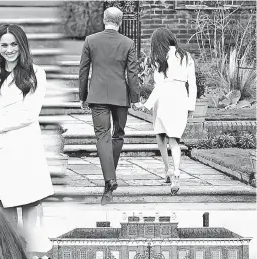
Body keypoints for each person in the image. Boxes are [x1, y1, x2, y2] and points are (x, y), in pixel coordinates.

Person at [0, 24, 53, 228]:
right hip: (0, 145)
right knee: (5, 201)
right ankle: (11, 247)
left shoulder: (36, 73)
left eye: (14, 44)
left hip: (24, 142)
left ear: (22, 45)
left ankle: (29, 244)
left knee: (29, 198)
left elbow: (29, 114)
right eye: (4, 45)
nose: (9, 50)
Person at [78, 7, 139, 205]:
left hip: (97, 95)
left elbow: (83, 70)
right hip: (120, 96)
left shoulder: (90, 40)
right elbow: (132, 73)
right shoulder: (128, 43)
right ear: (120, 22)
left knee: (102, 136)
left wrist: (82, 95)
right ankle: (109, 183)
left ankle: (109, 180)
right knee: (118, 135)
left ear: (104, 19)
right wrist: (136, 98)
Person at [134, 28, 196, 195]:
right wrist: (191, 106)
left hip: (164, 99)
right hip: (181, 97)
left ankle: (167, 169)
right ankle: (176, 172)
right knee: (174, 139)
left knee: (160, 134)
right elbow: (193, 83)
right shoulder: (186, 56)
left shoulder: (159, 58)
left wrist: (146, 105)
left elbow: (159, 86)